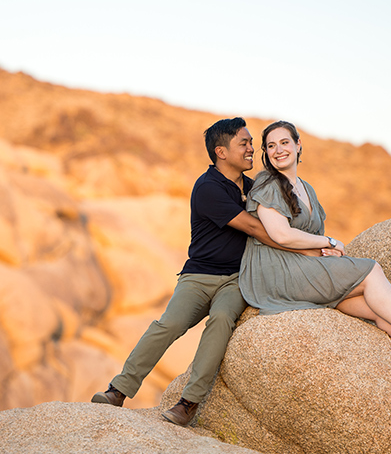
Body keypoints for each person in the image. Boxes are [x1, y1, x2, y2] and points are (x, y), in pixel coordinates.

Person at [92, 118, 321, 424]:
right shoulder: (208, 188)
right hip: (199, 276)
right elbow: (254, 226)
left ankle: (188, 403)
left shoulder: (254, 188)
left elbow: (281, 224)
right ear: (221, 151)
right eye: (245, 143)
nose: (253, 149)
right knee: (169, 325)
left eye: (252, 143)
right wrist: (306, 248)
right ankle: (118, 391)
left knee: (222, 319)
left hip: (237, 279)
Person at [238, 120, 391, 387]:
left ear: (298, 145)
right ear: (266, 152)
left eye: (284, 143)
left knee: (377, 310)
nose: (278, 150)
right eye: (271, 146)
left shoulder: (305, 188)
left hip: (303, 266)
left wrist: (324, 252)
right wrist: (329, 241)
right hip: (277, 272)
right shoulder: (266, 183)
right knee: (371, 269)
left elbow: (305, 238)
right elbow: (281, 235)